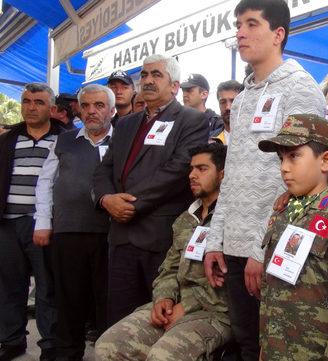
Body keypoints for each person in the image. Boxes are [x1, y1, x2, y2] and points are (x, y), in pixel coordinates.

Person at [203, 1, 326, 359]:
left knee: (275, 348)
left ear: (278, 35)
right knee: (245, 344)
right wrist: (215, 240)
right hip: (234, 247)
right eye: (238, 24)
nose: (240, 32)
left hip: (273, 249)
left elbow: (301, 185)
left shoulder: (300, 89)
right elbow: (234, 176)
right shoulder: (241, 101)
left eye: (252, 24)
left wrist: (263, 249)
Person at [92, 54, 209, 326]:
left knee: (158, 323)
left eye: (156, 75)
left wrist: (130, 204)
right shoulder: (125, 123)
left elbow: (179, 170)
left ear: (174, 86)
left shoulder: (190, 120)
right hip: (120, 237)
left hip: (160, 238)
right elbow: (104, 169)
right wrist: (106, 199)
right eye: (144, 75)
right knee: (119, 321)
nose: (147, 80)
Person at [95, 143, 231, 361]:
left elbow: (230, 283)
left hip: (214, 312)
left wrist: (186, 306)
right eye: (191, 169)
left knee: (163, 357)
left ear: (223, 175)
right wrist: (163, 299)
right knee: (109, 346)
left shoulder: (234, 221)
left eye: (202, 169)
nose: (192, 175)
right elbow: (169, 268)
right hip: (174, 305)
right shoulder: (185, 219)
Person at [257, 114, 328, 360]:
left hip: (311, 351)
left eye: (294, 156)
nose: (284, 167)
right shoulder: (283, 211)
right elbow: (270, 286)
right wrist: (264, 344)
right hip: (273, 345)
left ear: (325, 161)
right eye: (281, 158)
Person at [33, 84, 115, 361]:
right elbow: (45, 183)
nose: (92, 111)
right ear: (79, 109)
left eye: (99, 105)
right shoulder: (64, 141)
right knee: (69, 305)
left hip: (110, 235)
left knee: (107, 304)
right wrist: (42, 222)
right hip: (68, 233)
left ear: (112, 110)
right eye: (87, 106)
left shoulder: (123, 141)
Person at [0, 83, 63, 361]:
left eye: (38, 102)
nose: (31, 107)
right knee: (9, 285)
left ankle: (50, 343)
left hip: (44, 224)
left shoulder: (66, 138)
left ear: (51, 108)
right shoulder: (8, 139)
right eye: (26, 101)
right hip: (8, 224)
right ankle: (12, 340)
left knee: (48, 287)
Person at [180, 73, 224, 139]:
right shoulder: (178, 121)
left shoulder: (217, 123)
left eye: (189, 90)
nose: (184, 94)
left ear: (204, 94)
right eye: (183, 91)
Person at [212, 80, 242, 144]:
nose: (228, 107)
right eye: (223, 102)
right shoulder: (210, 140)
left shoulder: (254, 138)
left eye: (233, 101)